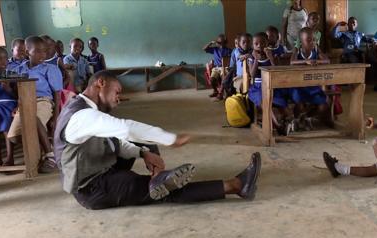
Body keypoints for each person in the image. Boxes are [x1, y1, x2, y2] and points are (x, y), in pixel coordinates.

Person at [54, 71, 261, 210]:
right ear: (101, 83)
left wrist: (144, 153)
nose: (119, 98)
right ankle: (235, 185)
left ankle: (159, 178)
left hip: (104, 167)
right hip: (92, 188)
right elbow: (125, 129)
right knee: (161, 192)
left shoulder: (90, 110)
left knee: (144, 144)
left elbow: (117, 141)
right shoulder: (81, 116)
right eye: (117, 92)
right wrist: (170, 138)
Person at [8, 36, 63, 173]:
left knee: (34, 118)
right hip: (24, 103)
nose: (42, 54)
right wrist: (16, 102)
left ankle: (51, 156)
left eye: (44, 51)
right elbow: (17, 92)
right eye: (37, 51)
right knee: (14, 136)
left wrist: (56, 118)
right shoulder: (19, 70)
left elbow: (57, 94)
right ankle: (40, 151)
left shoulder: (50, 69)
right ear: (27, 53)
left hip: (43, 101)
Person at [247, 32, 293, 135]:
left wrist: (271, 57)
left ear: (267, 43)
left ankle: (287, 122)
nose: (259, 46)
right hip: (258, 87)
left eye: (263, 43)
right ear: (253, 45)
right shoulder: (251, 56)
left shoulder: (273, 54)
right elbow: (252, 74)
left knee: (282, 103)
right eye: (256, 44)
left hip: (272, 85)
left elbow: (277, 70)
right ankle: (277, 126)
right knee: (265, 102)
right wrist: (256, 60)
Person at [290, 27, 332, 130]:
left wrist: (319, 53)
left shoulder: (316, 51)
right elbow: (292, 63)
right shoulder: (298, 52)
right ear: (301, 42)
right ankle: (296, 119)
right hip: (299, 87)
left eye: (314, 39)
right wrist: (305, 62)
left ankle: (308, 117)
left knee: (324, 105)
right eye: (308, 40)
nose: (312, 42)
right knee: (299, 104)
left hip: (313, 87)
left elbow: (327, 61)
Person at [0, 47, 17, 166]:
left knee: (6, 128)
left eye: (5, 58)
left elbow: (18, 95)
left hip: (10, 104)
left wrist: (8, 89)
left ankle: (10, 157)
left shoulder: (12, 75)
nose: (3, 61)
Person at [203, 34, 232, 100]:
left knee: (224, 78)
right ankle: (215, 91)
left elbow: (231, 59)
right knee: (212, 80)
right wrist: (210, 43)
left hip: (224, 67)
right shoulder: (215, 49)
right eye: (219, 43)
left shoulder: (228, 50)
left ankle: (220, 93)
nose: (221, 44)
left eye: (223, 43)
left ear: (225, 42)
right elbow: (204, 49)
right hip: (216, 68)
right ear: (217, 42)